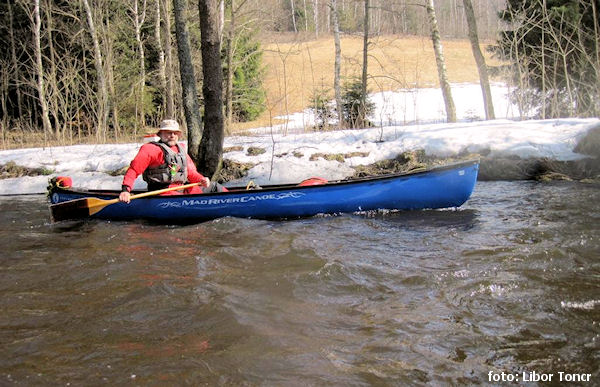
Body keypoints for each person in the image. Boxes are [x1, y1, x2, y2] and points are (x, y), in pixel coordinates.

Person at [119, 119, 224, 203]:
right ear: (160, 134)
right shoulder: (150, 149)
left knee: (214, 187)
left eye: (175, 133)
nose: (172, 135)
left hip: (181, 188)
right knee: (189, 200)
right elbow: (133, 170)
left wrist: (202, 180)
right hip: (162, 192)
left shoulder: (181, 149)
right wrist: (125, 191)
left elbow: (191, 173)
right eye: (168, 132)